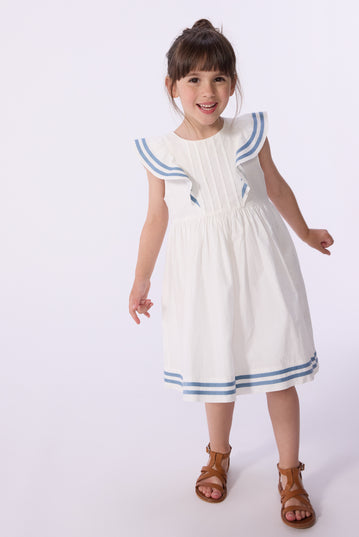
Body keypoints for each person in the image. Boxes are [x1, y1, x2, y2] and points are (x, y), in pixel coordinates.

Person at [129, 18, 334, 529]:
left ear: (233, 82)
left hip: (261, 264)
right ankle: (217, 454)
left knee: (278, 363)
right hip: (203, 274)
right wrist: (141, 280)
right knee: (217, 366)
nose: (208, 91)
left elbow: (277, 187)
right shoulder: (160, 152)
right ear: (172, 86)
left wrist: (307, 233)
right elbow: (156, 219)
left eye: (219, 78)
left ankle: (290, 472)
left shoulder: (249, 133)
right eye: (194, 79)